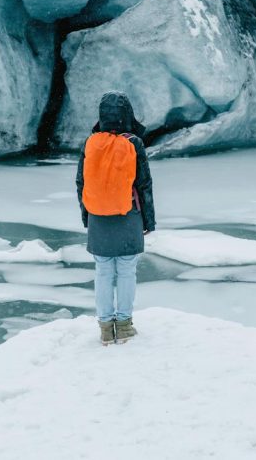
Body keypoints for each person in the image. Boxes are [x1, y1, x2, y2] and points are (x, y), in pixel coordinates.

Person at [76, 92, 156, 345]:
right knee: (126, 271)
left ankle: (104, 328)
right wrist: (148, 222)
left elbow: (81, 182)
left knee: (102, 271)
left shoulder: (91, 142)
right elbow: (144, 185)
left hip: (99, 215)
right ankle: (123, 326)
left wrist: (87, 217)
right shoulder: (134, 143)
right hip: (128, 214)